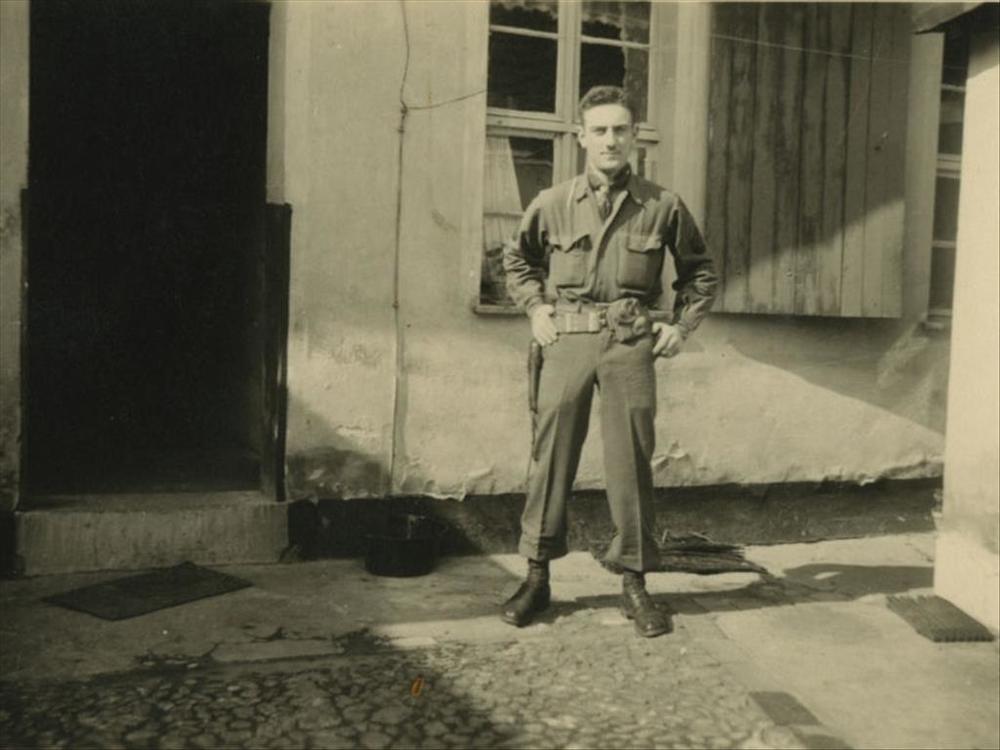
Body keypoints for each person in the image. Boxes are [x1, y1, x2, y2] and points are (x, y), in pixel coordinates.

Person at [501, 85, 718, 638]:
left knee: (631, 462)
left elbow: (700, 273)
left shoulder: (662, 205)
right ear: (581, 137)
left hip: (628, 343)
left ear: (634, 136)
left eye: (620, 129)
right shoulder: (552, 202)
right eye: (599, 130)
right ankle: (537, 576)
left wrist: (680, 327)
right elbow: (517, 261)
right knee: (551, 458)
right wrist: (536, 309)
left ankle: (635, 582)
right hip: (567, 339)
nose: (610, 140)